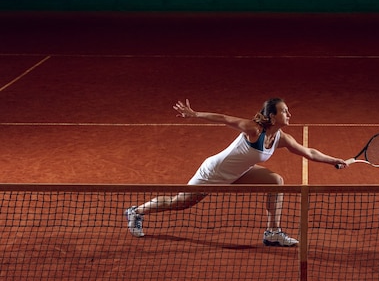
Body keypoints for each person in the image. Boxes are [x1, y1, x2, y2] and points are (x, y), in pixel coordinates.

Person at [125, 97, 347, 246]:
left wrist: (334, 160)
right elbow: (223, 119)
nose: (289, 114)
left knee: (276, 181)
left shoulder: (281, 138)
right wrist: (194, 114)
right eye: (284, 111)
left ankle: (273, 233)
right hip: (213, 174)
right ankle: (136, 211)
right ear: (271, 116)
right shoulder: (253, 130)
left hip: (239, 173)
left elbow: (309, 152)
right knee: (180, 202)